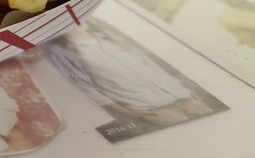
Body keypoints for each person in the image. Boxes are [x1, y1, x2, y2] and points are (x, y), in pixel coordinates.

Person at [44, 24, 212, 129]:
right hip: (154, 109)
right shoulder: (61, 53)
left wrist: (183, 88)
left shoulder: (110, 39)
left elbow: (149, 65)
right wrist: (126, 112)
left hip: (183, 96)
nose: (75, 22)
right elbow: (84, 87)